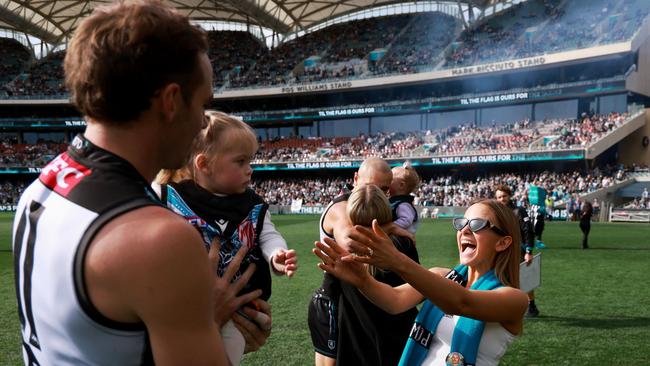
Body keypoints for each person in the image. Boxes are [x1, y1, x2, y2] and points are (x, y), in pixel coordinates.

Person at [12, 2, 269, 364]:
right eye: (202, 104)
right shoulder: (157, 238)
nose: (202, 124)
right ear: (171, 101)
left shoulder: (42, 185)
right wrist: (210, 324)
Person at [155, 111, 297, 365]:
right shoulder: (169, 196)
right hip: (181, 306)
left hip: (240, 308)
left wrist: (277, 255)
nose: (250, 170)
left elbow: (269, 236)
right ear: (204, 164)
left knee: (228, 348)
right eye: (240, 161)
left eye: (250, 161)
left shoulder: (253, 205)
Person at [314, 199, 528, 366]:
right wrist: (362, 279)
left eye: (477, 224)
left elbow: (462, 303)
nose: (464, 229)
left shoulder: (514, 299)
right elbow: (394, 300)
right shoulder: (444, 276)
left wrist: (398, 261)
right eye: (462, 223)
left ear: (503, 242)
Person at [308, 157, 402, 366]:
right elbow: (351, 242)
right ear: (356, 179)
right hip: (334, 301)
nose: (377, 194)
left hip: (356, 300)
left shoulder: (366, 209)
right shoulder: (341, 208)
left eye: (384, 189)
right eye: (371, 186)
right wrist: (391, 228)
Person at [336, 184, 419, 366]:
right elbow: (420, 286)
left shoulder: (340, 250)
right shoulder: (402, 244)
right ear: (386, 210)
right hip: (399, 341)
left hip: (355, 344)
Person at [494, 185, 539, 317]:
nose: (502, 199)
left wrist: (529, 251)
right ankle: (509, 305)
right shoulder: (496, 213)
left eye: (504, 196)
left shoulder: (519, 211)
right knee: (503, 278)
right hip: (502, 251)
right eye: (499, 197)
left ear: (509, 196)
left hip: (519, 251)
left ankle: (532, 306)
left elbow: (528, 231)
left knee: (525, 279)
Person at [389, 163, 421, 235]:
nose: (387, 181)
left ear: (401, 185)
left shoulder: (403, 204)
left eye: (390, 179)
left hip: (402, 241)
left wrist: (390, 226)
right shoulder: (395, 200)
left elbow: (406, 220)